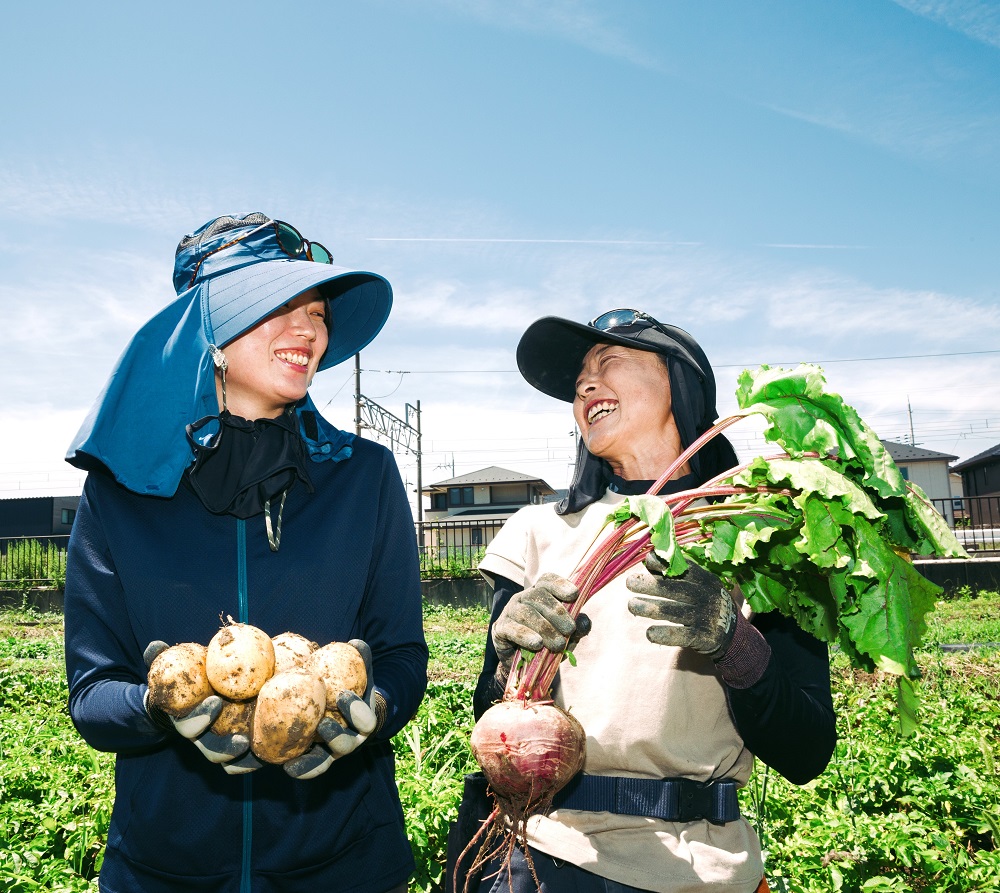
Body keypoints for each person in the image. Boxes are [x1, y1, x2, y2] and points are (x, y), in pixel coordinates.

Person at [63, 213, 428, 893]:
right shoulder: (120, 492)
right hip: (165, 874)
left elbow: (403, 653)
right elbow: (90, 693)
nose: (310, 329)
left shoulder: (364, 476)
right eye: (279, 305)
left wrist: (372, 705)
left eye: (317, 311)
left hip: (345, 867)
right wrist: (157, 704)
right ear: (210, 334)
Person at [451, 309, 836, 893]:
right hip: (545, 853)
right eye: (580, 377)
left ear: (678, 385)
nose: (585, 385)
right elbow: (490, 722)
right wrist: (508, 662)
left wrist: (736, 645)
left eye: (609, 362)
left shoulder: (765, 534)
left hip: (702, 867)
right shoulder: (537, 532)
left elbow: (806, 752)